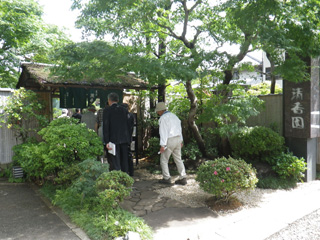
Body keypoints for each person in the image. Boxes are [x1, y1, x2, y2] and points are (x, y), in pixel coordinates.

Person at [155, 102, 187, 185]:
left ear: (160, 111)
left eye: (158, 111)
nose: (157, 113)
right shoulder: (175, 116)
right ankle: (183, 177)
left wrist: (162, 145)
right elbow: (180, 129)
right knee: (178, 159)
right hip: (177, 139)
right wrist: (181, 140)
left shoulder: (163, 118)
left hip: (169, 140)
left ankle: (166, 178)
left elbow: (163, 132)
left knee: (164, 160)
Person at [103, 93, 131, 173]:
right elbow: (129, 125)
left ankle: (117, 179)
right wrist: (128, 138)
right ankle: (125, 178)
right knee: (124, 160)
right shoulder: (124, 110)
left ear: (109, 100)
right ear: (118, 100)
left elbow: (106, 126)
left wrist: (106, 141)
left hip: (113, 139)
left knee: (115, 160)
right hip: (124, 139)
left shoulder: (107, 110)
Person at [120, 103, 135, 176]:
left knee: (123, 155)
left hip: (122, 138)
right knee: (129, 154)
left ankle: (124, 170)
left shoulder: (121, 117)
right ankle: (131, 171)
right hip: (129, 137)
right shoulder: (131, 116)